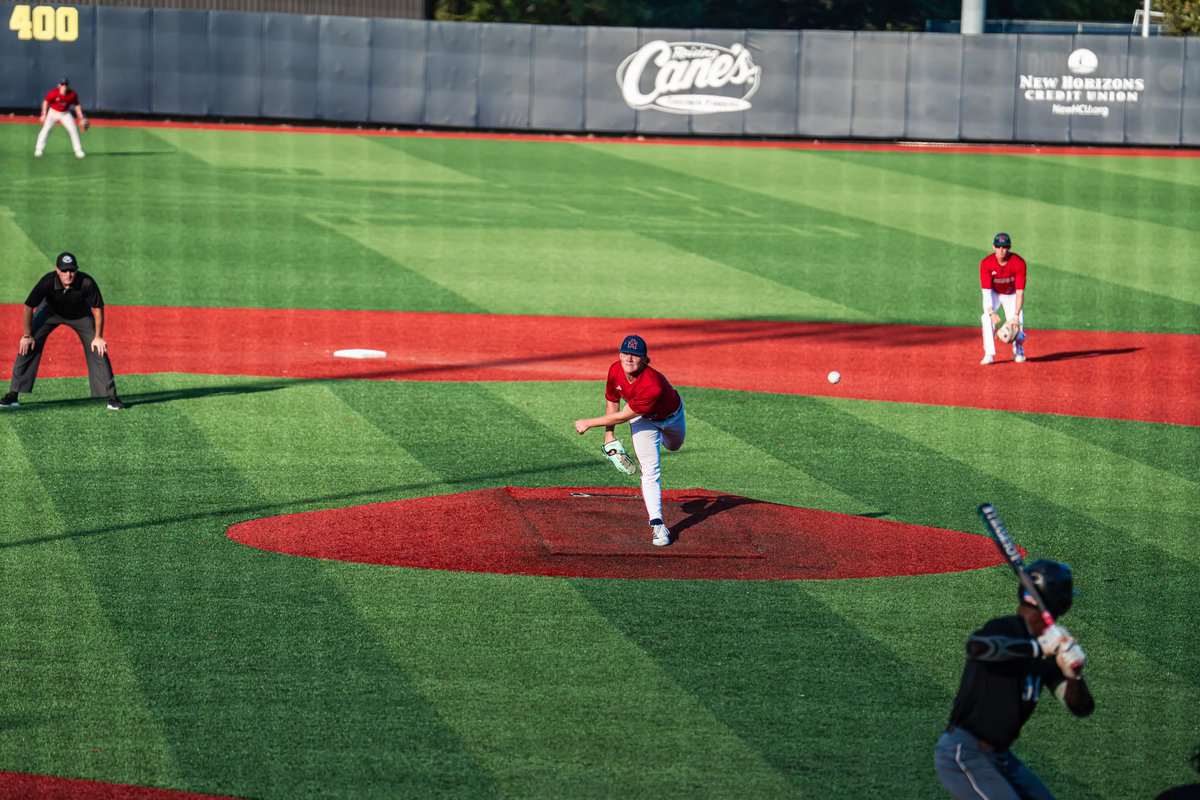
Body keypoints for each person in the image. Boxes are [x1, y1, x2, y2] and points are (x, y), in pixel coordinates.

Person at [935, 559, 1094, 799]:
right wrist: (1036, 647)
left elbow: (1081, 707)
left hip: (1000, 756)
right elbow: (977, 647)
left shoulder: (1050, 652)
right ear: (1061, 603)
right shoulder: (1004, 629)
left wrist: (1075, 676)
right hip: (964, 753)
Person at [574, 335, 685, 547]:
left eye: (635, 355)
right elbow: (612, 399)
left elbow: (624, 415)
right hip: (643, 420)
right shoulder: (615, 370)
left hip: (672, 418)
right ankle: (658, 525)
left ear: (645, 359)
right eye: (625, 353)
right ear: (619, 353)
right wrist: (609, 436)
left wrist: (588, 422)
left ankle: (656, 442)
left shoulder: (653, 385)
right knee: (650, 469)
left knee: (674, 446)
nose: (629, 358)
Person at [1, 252, 127, 410]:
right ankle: (13, 395)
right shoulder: (47, 281)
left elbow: (98, 308)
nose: (68, 274)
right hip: (49, 313)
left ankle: (112, 398)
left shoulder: (87, 282)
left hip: (80, 315)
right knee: (27, 345)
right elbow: (28, 306)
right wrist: (27, 335)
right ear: (57, 270)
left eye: (72, 270)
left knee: (98, 348)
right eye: (64, 270)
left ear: (76, 270)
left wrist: (98, 337)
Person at [979, 232, 1027, 365]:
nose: (1001, 250)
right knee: (986, 318)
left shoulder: (1019, 263)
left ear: (1009, 247)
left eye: (1004, 247)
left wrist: (1016, 315)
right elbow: (986, 293)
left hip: (1011, 295)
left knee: (1018, 325)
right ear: (993, 247)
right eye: (998, 246)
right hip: (994, 294)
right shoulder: (986, 264)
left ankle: (1018, 351)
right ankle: (989, 354)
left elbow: (1020, 293)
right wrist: (991, 312)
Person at [34, 77, 86, 159]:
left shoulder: (72, 94)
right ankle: (39, 149)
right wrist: (43, 114)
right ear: (59, 85)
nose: (64, 86)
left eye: (65, 84)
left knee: (73, 130)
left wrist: (80, 116)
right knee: (46, 129)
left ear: (68, 86)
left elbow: (76, 105)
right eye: (62, 84)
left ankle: (78, 150)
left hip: (65, 113)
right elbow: (45, 102)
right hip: (53, 112)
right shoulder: (53, 93)